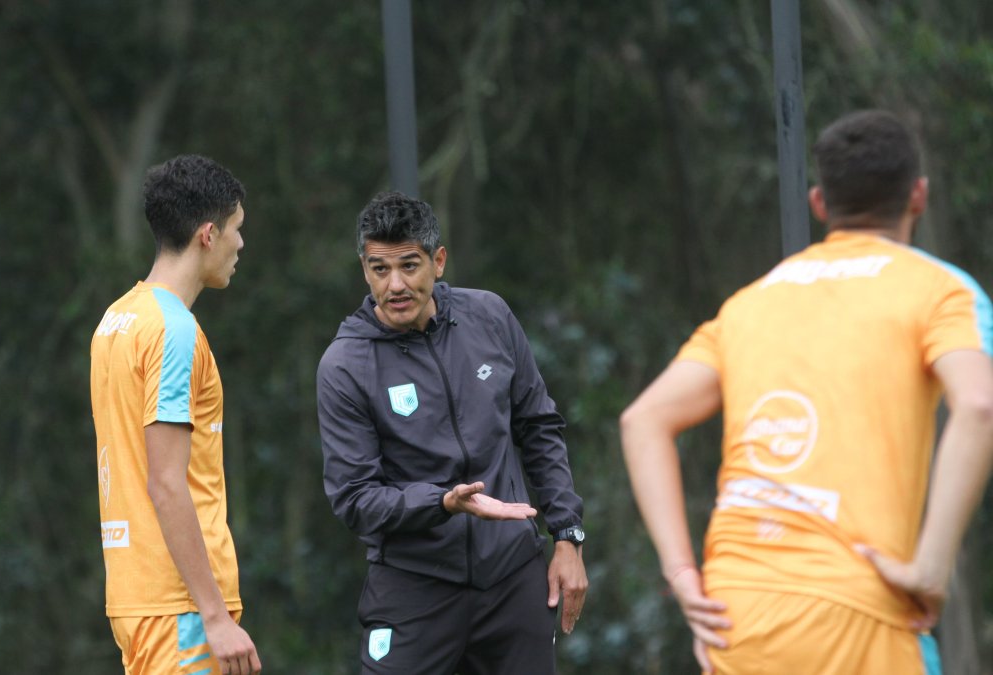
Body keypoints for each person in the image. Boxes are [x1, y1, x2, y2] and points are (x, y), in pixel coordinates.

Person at [620, 109, 993, 674]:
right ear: (918, 195)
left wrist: (682, 574)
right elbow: (980, 406)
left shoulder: (749, 302)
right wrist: (929, 570)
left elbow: (643, 420)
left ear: (821, 204)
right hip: (860, 610)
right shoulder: (942, 291)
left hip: (734, 616)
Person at [316, 191, 589, 675]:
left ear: (438, 261)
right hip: (413, 586)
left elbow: (539, 427)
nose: (395, 284)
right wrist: (441, 503)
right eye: (380, 269)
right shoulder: (345, 365)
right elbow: (355, 499)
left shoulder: (490, 316)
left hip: (512, 577)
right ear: (364, 270)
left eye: (410, 265)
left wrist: (567, 536)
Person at [89, 154, 262, 675]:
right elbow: (165, 482)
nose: (241, 244)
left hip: (136, 595)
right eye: (236, 229)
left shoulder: (116, 318)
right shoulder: (174, 331)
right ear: (208, 234)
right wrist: (214, 615)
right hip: (180, 605)